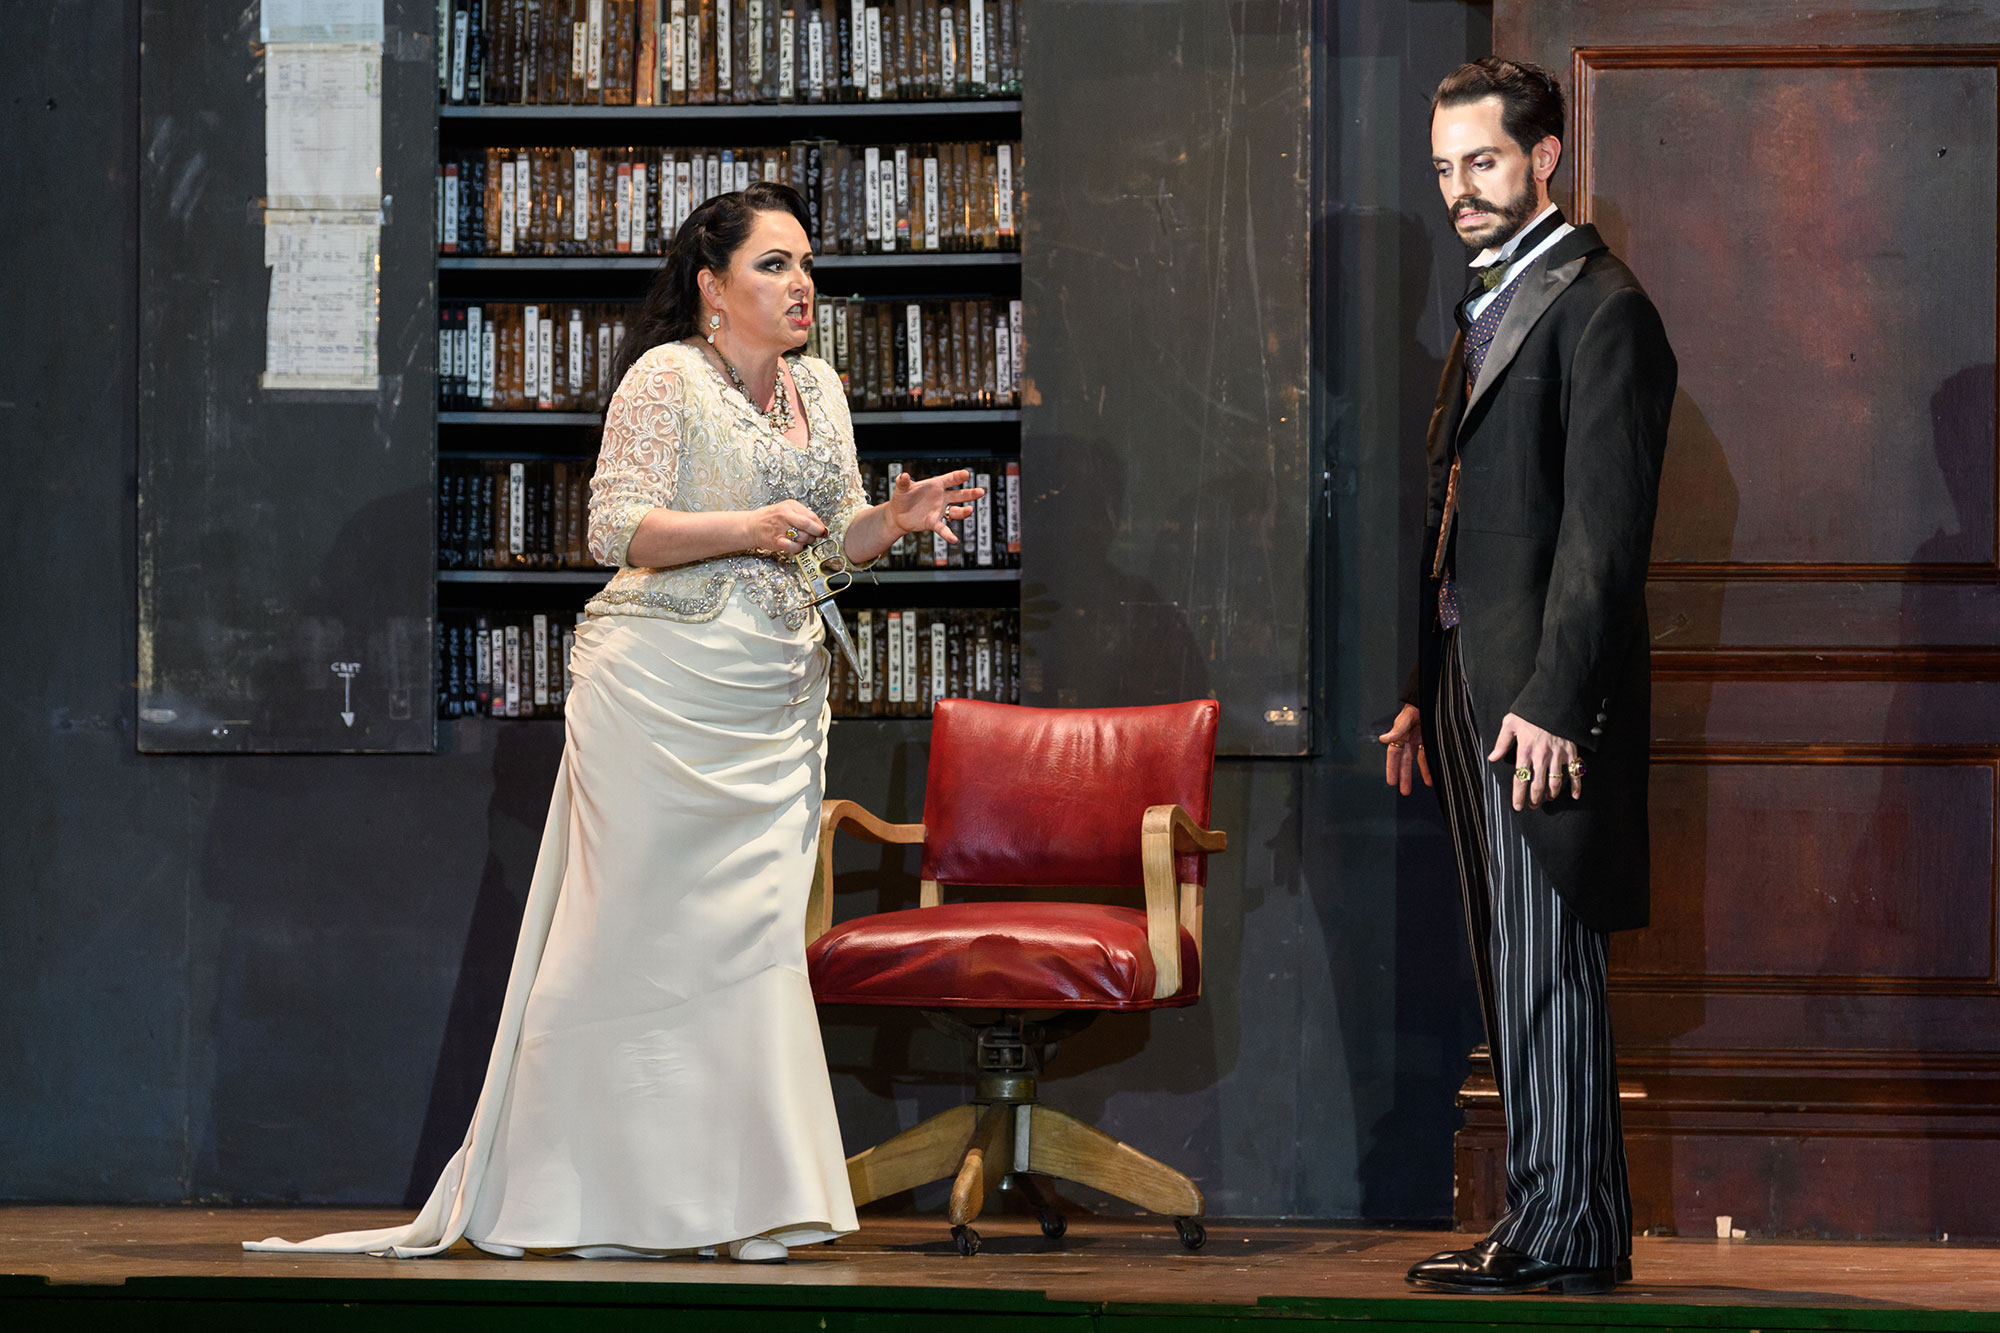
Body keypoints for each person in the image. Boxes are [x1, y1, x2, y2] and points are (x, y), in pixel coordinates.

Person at [247, 181, 984, 1263]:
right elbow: (615, 528)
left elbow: (829, 545)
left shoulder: (820, 388)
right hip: (661, 692)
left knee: (747, 954)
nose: (801, 285)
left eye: (805, 264)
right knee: (631, 945)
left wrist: (890, 521)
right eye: (774, 264)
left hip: (774, 702)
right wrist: (747, 526)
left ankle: (742, 1204)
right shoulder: (664, 377)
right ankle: (584, 1197)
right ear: (712, 287)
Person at [1378, 58, 1676, 1296]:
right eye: (1444, 168)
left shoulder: (1602, 309)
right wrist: (1420, 682)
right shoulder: (1489, 302)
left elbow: (1603, 536)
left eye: (1483, 161)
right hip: (1469, 680)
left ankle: (1562, 1229)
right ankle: (1559, 1220)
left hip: (1538, 698)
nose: (1459, 188)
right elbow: (1458, 513)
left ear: (1543, 156)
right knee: (1509, 960)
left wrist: (1554, 701)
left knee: (1546, 959)